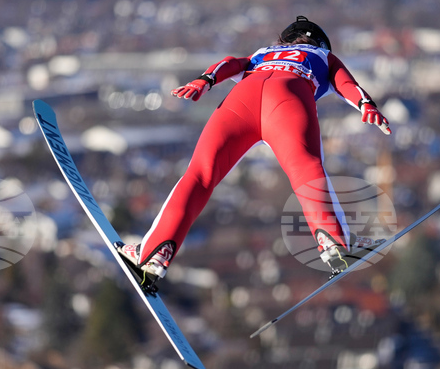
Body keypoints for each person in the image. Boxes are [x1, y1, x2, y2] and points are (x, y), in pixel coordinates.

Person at [117, 16, 391, 289]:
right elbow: (345, 84)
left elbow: (231, 63)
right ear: (320, 43)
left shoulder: (263, 53)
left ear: (283, 40)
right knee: (306, 168)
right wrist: (366, 104)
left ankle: (153, 254)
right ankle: (335, 243)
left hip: (242, 100)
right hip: (288, 97)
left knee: (200, 175)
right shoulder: (323, 55)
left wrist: (206, 79)